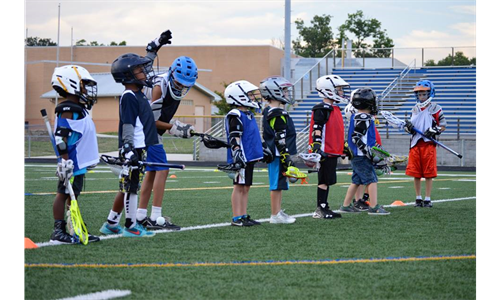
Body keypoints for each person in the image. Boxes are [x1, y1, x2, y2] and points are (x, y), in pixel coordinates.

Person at [137, 32, 198, 230]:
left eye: (185, 85)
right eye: (179, 82)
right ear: (172, 75)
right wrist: (175, 127)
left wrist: (155, 45)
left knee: (152, 172)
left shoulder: (173, 87)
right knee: (162, 169)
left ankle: (140, 215)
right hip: (144, 130)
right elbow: (151, 121)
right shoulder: (159, 86)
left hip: (150, 131)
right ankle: (155, 217)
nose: (181, 87)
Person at [100, 52, 158, 237]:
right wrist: (128, 148)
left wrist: (155, 47)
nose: (144, 73)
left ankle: (111, 223)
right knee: (131, 188)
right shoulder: (129, 96)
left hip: (140, 147)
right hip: (133, 148)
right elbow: (128, 123)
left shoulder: (138, 94)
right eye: (140, 70)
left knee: (126, 186)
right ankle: (131, 225)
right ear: (128, 75)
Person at [49, 64, 101, 244]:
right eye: (83, 85)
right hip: (71, 162)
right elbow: (60, 137)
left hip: (76, 164)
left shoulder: (78, 109)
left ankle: (75, 228)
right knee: (63, 194)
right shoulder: (68, 109)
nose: (86, 89)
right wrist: (65, 161)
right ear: (71, 83)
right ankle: (58, 230)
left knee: (73, 196)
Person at [340, 88, 390, 215]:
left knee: (356, 181)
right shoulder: (364, 117)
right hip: (361, 156)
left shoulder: (356, 116)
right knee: (372, 180)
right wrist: (369, 152)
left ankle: (345, 205)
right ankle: (374, 207)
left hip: (357, 155)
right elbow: (356, 137)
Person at [308, 75, 350, 219]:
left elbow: (335, 130)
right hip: (324, 151)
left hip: (332, 150)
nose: (341, 92)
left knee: (328, 180)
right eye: (338, 89)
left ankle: (325, 206)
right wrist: (317, 145)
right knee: (324, 180)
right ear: (328, 90)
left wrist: (342, 146)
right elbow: (317, 128)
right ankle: (320, 209)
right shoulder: (323, 108)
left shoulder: (334, 108)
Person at [224, 80, 264, 226]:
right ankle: (237, 217)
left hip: (250, 156)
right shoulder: (235, 114)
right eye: (249, 95)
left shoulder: (248, 114)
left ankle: (243, 214)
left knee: (246, 186)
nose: (253, 97)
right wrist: (237, 153)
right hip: (242, 156)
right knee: (239, 186)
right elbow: (235, 136)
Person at [260, 76, 299, 224]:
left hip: (279, 153)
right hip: (277, 154)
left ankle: (278, 212)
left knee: (281, 184)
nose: (287, 93)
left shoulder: (273, 110)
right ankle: (275, 214)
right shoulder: (276, 113)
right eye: (284, 90)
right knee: (276, 184)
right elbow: (280, 138)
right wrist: (286, 157)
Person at [404, 80, 446, 207]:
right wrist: (409, 128)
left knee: (428, 173)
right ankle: (418, 197)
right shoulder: (415, 108)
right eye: (419, 94)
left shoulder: (436, 108)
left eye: (423, 94)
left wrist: (434, 130)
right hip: (415, 144)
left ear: (430, 93)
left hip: (428, 144)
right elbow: (409, 128)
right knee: (416, 173)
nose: (421, 96)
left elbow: (443, 125)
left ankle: (427, 198)